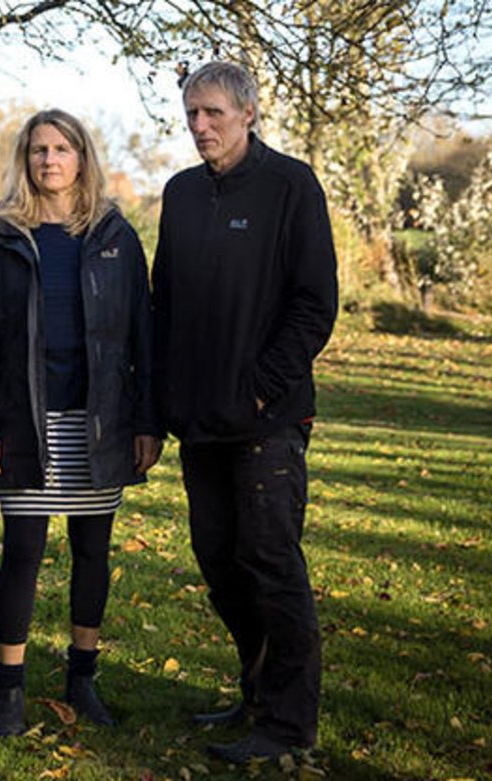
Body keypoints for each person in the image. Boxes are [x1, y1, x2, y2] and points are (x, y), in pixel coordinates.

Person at [152, 61, 338, 764]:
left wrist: (261, 387)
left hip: (269, 416)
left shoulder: (290, 185)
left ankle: (290, 726)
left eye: (213, 113)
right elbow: (162, 300)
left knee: (269, 558)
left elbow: (314, 303)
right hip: (198, 417)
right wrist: (161, 401)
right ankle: (257, 682)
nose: (200, 125)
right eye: (192, 113)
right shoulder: (180, 193)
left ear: (248, 112)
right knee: (217, 557)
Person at [0, 109, 161, 736]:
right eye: (39, 150)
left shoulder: (114, 235)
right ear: (26, 160)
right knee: (22, 551)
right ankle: (11, 692)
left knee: (91, 551)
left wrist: (147, 421)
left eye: (62, 149)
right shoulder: (1, 235)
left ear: (82, 159)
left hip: (99, 419)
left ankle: (83, 680)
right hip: (25, 420)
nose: (50, 160)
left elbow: (142, 335)